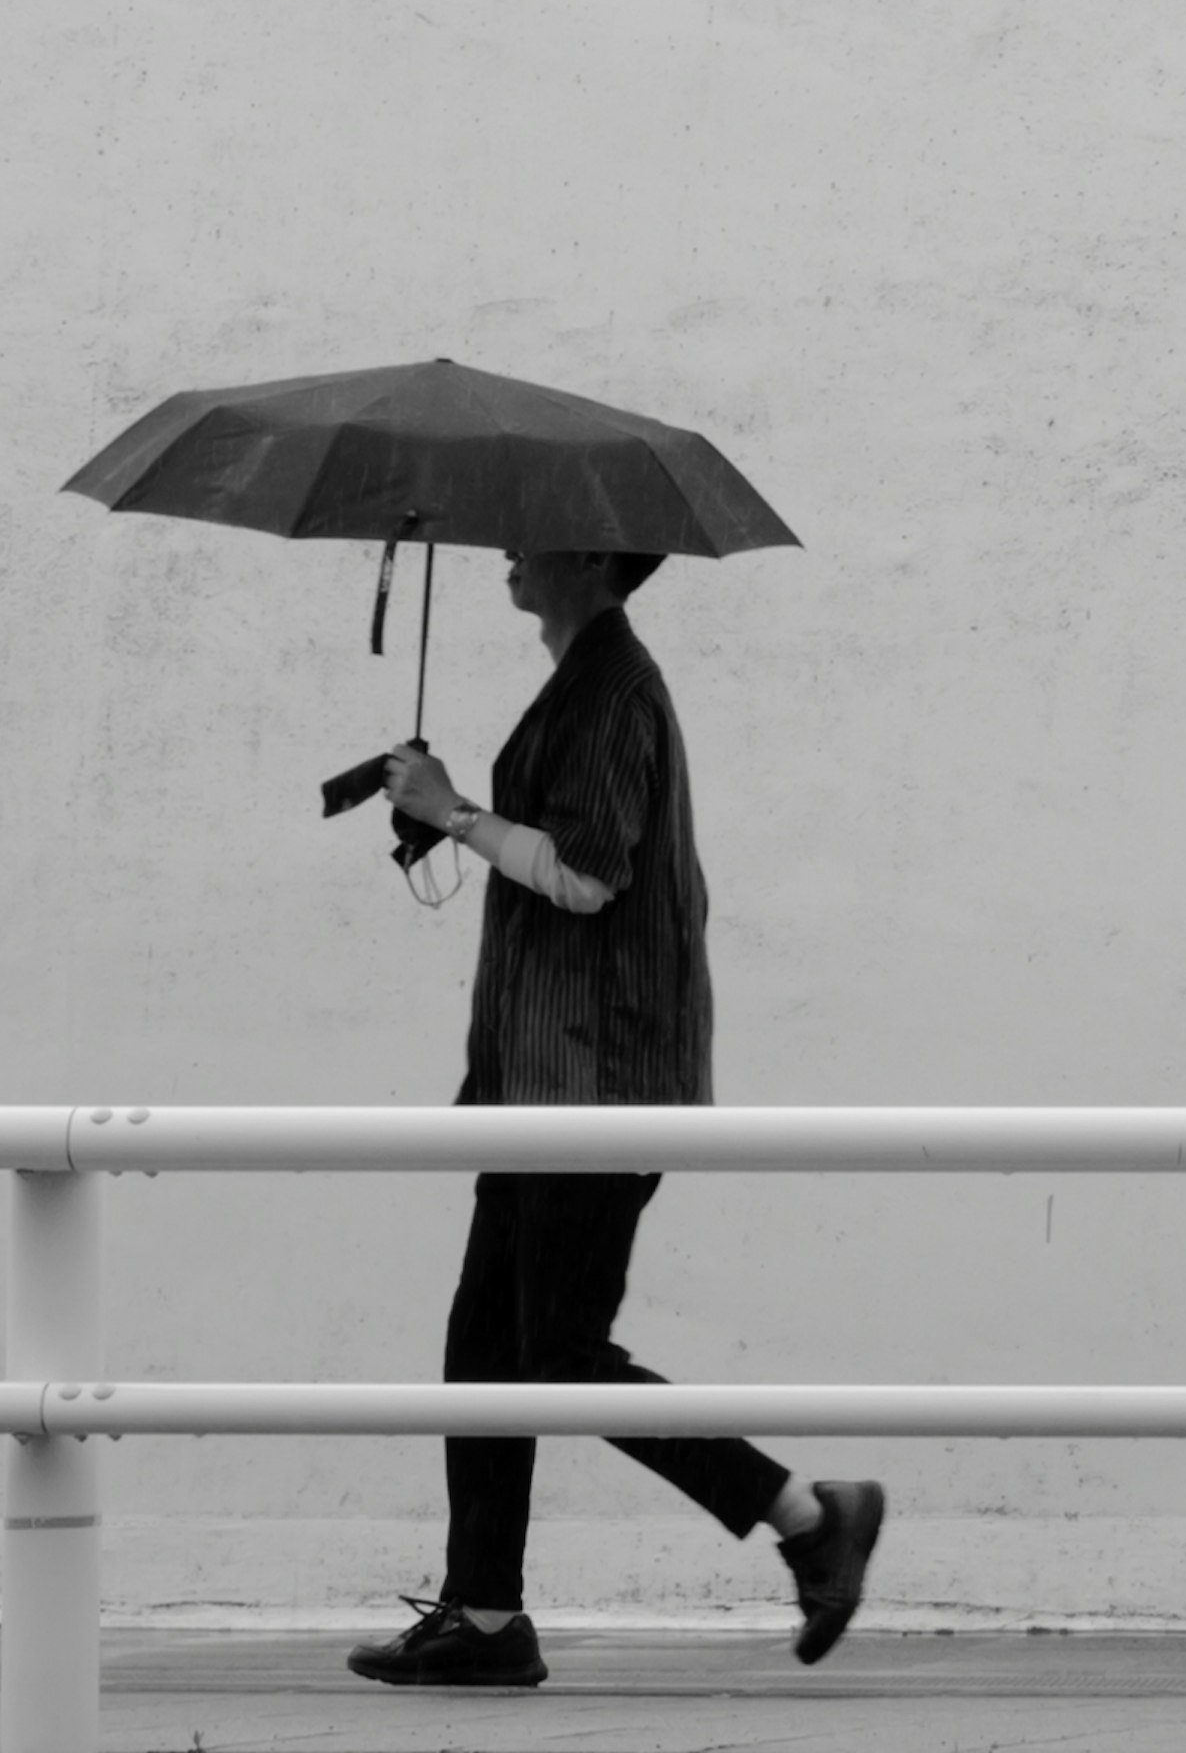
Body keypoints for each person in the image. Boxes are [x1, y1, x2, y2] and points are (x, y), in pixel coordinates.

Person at [339, 545, 886, 1692]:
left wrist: (456, 812)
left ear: (588, 559)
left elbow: (590, 875)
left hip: (593, 1079)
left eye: (529, 538)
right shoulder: (582, 680)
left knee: (557, 1354)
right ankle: (485, 1618)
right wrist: (448, 809)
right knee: (486, 1350)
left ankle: (805, 1515)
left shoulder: (617, 691)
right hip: (535, 1080)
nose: (507, 552)